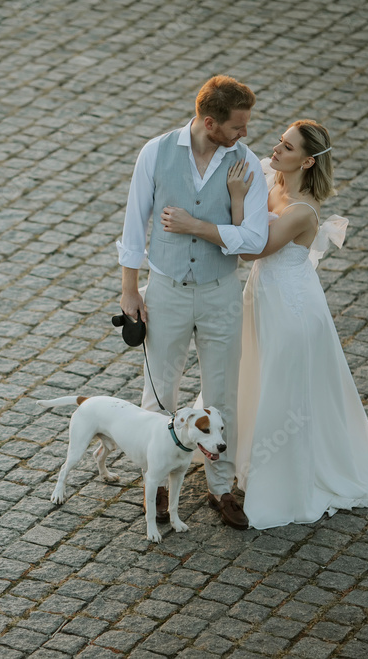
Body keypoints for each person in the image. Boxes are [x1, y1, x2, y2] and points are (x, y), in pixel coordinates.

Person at [175, 119, 368, 529]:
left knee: (282, 389)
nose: (277, 150)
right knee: (248, 374)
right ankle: (232, 455)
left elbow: (252, 250)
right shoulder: (271, 179)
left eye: (288, 148)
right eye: (280, 142)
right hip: (260, 300)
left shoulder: (302, 211)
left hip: (291, 309)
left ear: (308, 162)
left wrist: (238, 197)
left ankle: (281, 477)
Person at [117, 75, 269, 530]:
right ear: (209, 121)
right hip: (165, 290)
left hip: (221, 292)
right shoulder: (156, 152)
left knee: (222, 394)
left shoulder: (246, 166)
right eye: (238, 126)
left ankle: (221, 488)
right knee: (159, 391)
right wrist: (129, 289)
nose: (245, 135)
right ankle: (157, 484)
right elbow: (133, 224)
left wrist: (197, 225)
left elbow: (254, 238)